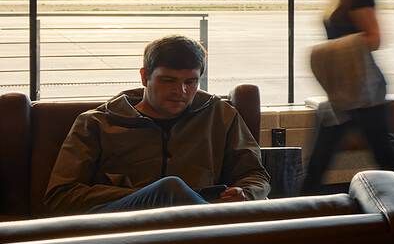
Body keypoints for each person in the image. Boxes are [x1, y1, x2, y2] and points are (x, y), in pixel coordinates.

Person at [44, 33, 270, 215]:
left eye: (190, 82)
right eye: (168, 80)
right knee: (169, 188)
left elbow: (255, 174)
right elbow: (60, 195)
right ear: (144, 77)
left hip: (197, 217)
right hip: (120, 223)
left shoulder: (220, 116)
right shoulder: (96, 123)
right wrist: (146, 195)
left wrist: (246, 193)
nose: (180, 92)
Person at [300, 0, 394, 190]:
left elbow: (374, 38)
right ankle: (301, 213)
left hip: (363, 92)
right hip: (345, 92)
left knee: (384, 159)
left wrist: (327, 52)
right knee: (321, 161)